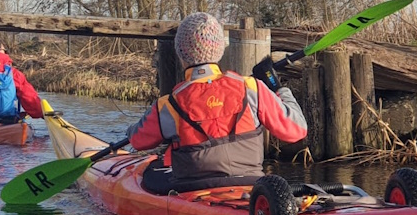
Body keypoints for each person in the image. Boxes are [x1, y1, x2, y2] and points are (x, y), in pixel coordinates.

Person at [126, 12, 307, 195]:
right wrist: (278, 88)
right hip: (251, 187)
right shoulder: (252, 88)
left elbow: (137, 141)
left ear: (181, 54)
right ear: (219, 50)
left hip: (192, 190)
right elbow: (297, 130)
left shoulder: (169, 104)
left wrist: (130, 130)